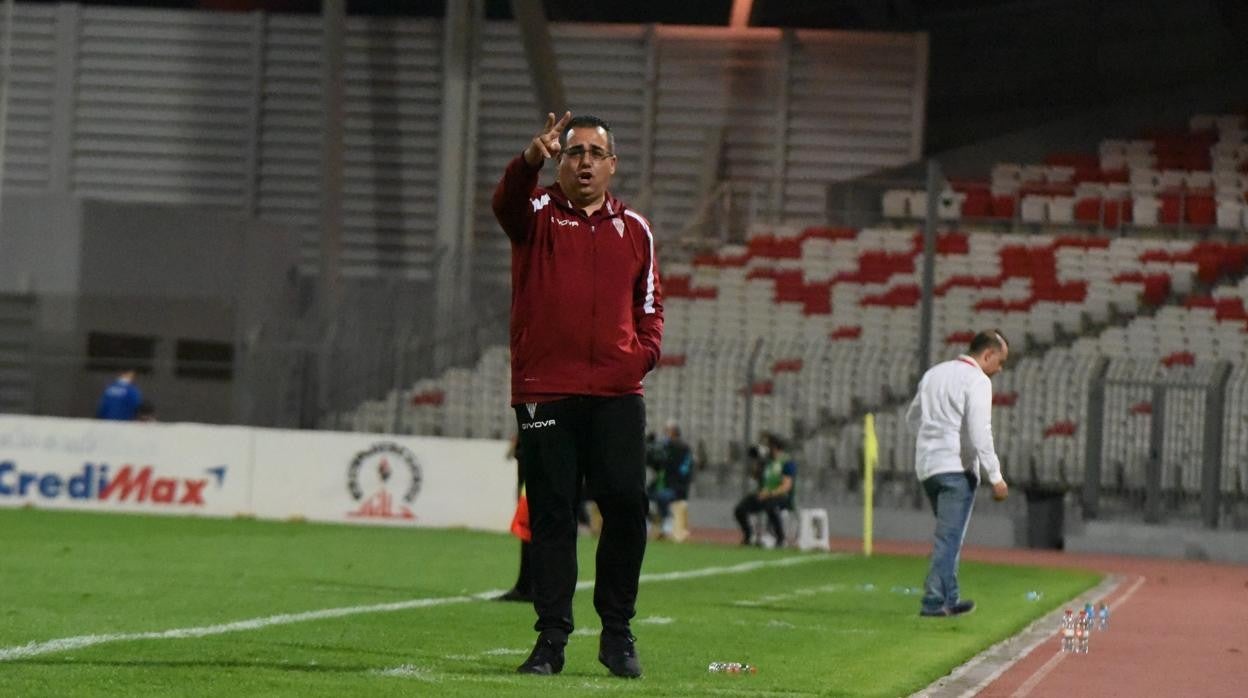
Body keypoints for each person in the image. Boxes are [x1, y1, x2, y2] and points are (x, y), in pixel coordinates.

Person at [493, 111, 663, 678]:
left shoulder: (635, 229)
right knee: (552, 515)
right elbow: (504, 203)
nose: (585, 161)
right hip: (546, 393)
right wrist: (528, 161)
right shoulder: (535, 212)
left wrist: (639, 356)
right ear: (560, 162)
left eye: (595, 153)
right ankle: (551, 639)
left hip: (617, 393)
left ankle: (617, 633)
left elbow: (650, 306)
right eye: (574, 152)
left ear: (612, 164)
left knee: (626, 507)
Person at [905, 330, 1011, 618]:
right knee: (949, 539)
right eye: (1000, 361)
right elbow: (980, 432)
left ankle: (950, 598)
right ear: (987, 354)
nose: (1000, 369)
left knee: (949, 536)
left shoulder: (933, 374)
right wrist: (996, 476)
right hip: (956, 468)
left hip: (928, 468)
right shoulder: (978, 381)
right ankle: (933, 602)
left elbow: (912, 418)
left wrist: (931, 443)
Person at [733, 432, 797, 547]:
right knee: (740, 509)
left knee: (770, 506)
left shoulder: (786, 462)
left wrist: (770, 493)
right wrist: (756, 461)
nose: (766, 448)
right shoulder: (767, 462)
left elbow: (786, 486)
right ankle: (748, 536)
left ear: (774, 446)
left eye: (768, 445)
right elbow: (755, 476)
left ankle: (780, 538)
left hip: (781, 496)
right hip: (765, 494)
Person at [647, 419, 693, 539]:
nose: (665, 434)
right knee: (640, 497)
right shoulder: (666, 448)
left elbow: (682, 471)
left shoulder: (682, 448)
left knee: (662, 496)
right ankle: (652, 521)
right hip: (662, 485)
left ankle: (666, 521)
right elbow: (656, 464)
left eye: (667, 431)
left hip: (676, 487)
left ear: (674, 432)